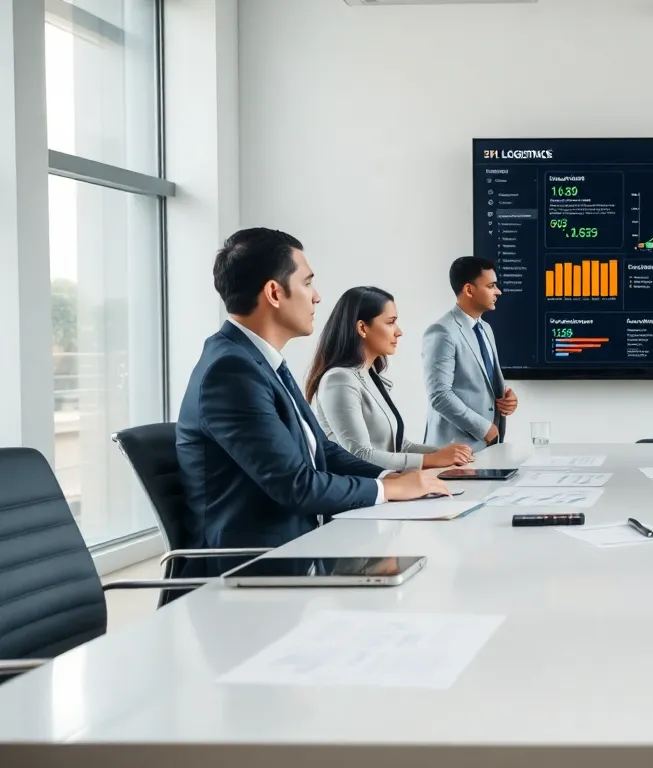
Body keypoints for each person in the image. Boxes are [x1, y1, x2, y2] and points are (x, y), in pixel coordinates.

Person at [176, 228, 450, 577]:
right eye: (307, 283)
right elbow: (297, 485)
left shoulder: (259, 362)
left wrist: (395, 476)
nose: (317, 297)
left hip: (301, 549)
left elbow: (322, 450)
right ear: (274, 292)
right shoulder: (231, 372)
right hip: (255, 571)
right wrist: (387, 489)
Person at [304, 286, 474, 472]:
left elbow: (401, 447)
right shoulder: (339, 380)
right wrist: (432, 459)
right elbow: (359, 455)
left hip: (389, 487)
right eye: (390, 322)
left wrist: (446, 453)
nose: (398, 332)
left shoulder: (370, 376)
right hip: (363, 494)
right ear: (362, 328)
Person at [424, 256, 518, 451]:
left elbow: (477, 380)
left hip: (486, 447)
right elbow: (439, 395)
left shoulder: (485, 329)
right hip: (454, 450)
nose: (498, 292)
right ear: (469, 290)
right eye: (491, 286)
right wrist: (484, 429)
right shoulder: (442, 331)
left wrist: (506, 397)